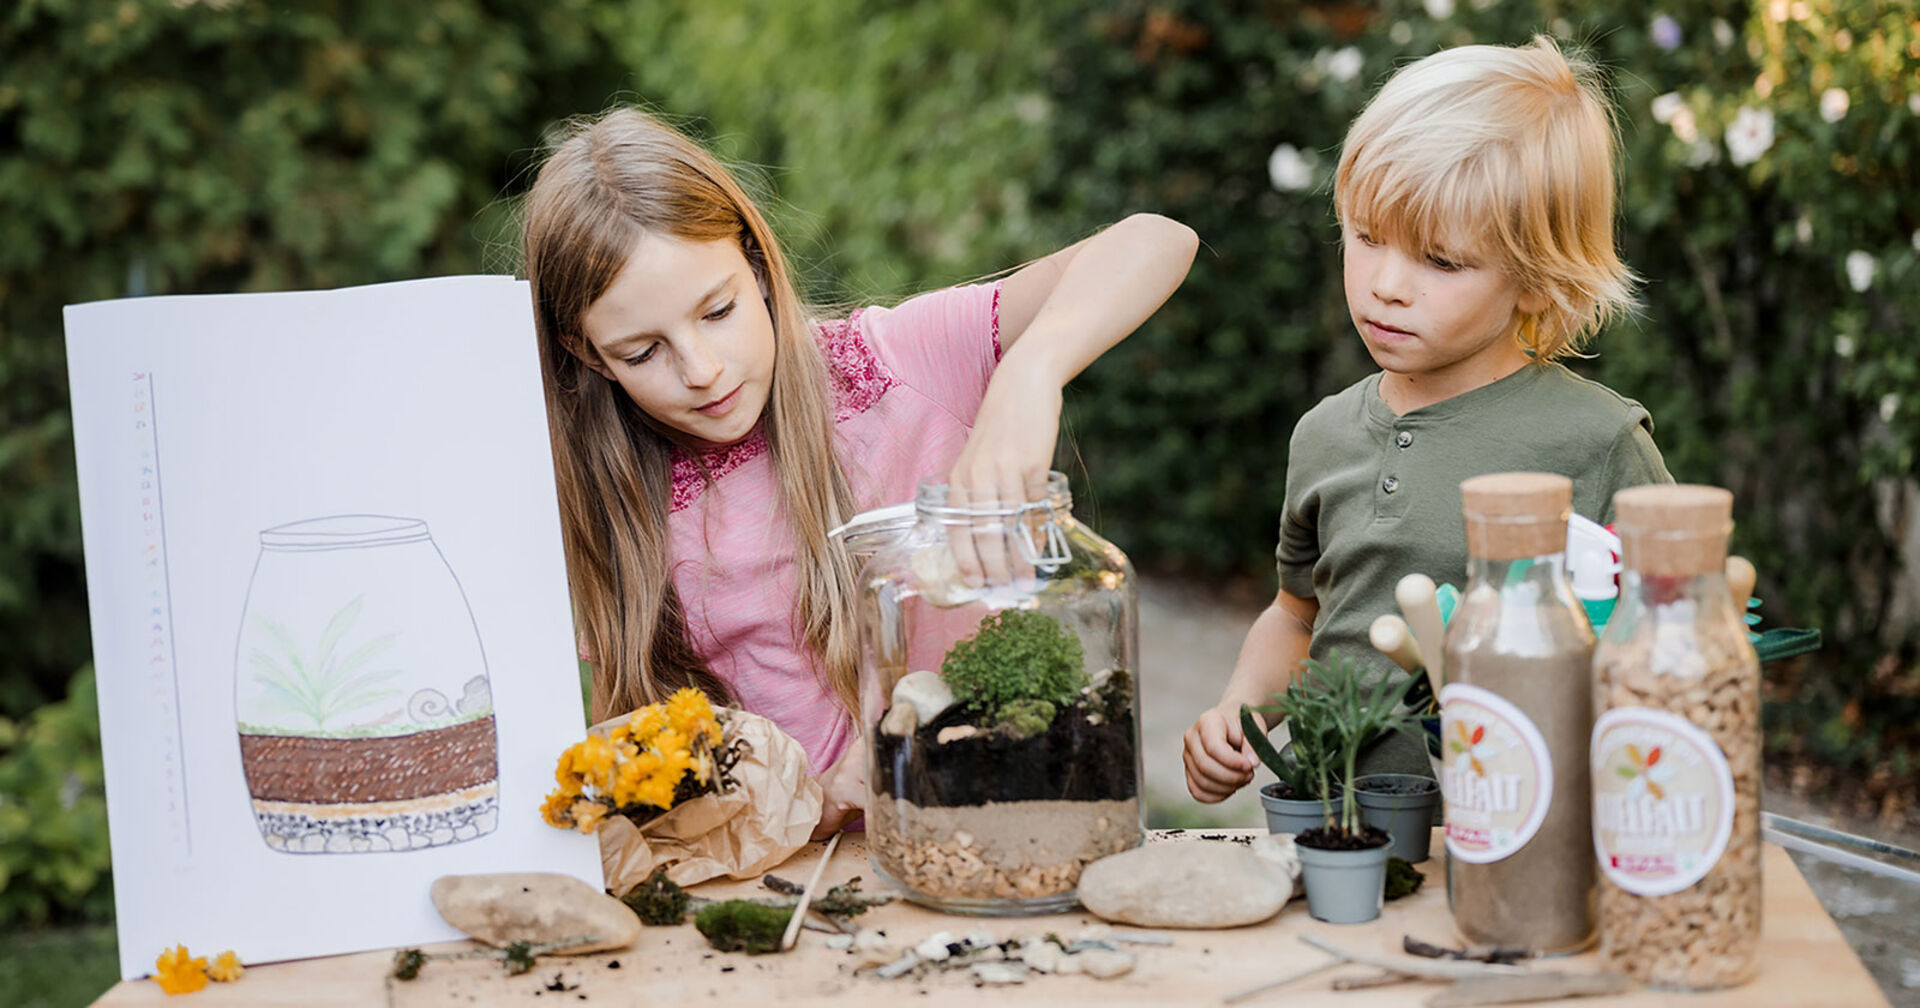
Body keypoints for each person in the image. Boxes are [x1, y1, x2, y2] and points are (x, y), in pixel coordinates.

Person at [522, 109, 1197, 837]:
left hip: (1006, 836)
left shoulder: (895, 364)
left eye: (718, 311)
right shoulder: (609, 505)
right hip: (792, 889)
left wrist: (1031, 373)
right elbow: (633, 779)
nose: (701, 369)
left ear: (755, 263)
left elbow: (1157, 239)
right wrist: (818, 800)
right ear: (588, 355)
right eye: (641, 353)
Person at [1183, 36, 1672, 804]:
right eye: (1368, 237)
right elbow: (1298, 620)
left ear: (1538, 282)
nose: (1386, 286)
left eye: (1441, 262)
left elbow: (1666, 653)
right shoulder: (1324, 435)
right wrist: (1236, 715)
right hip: (1329, 826)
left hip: (1515, 836)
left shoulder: (1596, 443)